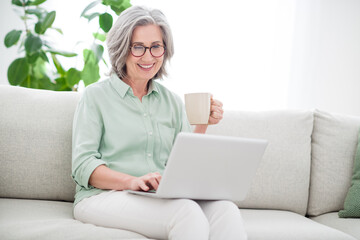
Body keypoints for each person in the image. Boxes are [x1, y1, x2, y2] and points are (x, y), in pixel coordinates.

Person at [71, 5, 247, 240]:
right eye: (138, 47)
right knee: (187, 213)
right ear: (122, 49)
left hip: (156, 197)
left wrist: (202, 124)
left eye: (156, 47)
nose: (148, 57)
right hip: (102, 196)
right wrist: (131, 181)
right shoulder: (95, 97)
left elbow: (185, 164)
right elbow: (83, 166)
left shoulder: (171, 102)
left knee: (226, 210)